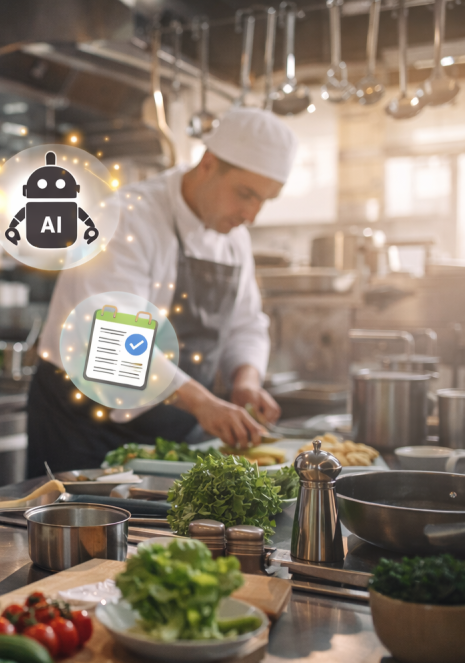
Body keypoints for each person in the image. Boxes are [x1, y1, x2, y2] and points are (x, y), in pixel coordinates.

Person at [27, 108, 298, 476]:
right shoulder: (126, 216)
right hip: (85, 427)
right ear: (207, 164)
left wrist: (245, 382)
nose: (251, 215)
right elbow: (113, 338)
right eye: (245, 193)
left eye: (265, 200)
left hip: (170, 430)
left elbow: (245, 323)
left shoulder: (234, 239)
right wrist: (202, 402)